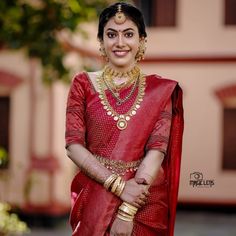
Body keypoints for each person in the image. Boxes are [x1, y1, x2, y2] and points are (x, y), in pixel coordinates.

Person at [65, 2, 184, 236]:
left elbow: (157, 151)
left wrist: (127, 210)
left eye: (128, 34)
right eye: (111, 35)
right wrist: (119, 186)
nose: (120, 43)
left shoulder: (159, 91)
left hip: (143, 200)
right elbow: (73, 145)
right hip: (95, 197)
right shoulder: (83, 85)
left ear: (141, 41)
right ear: (101, 42)